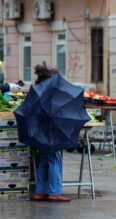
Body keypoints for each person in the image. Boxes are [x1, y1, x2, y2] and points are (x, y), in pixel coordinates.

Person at [32, 62, 70, 202]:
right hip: (51, 132)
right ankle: (55, 192)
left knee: (43, 159)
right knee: (55, 159)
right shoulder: (51, 93)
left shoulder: (36, 90)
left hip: (38, 131)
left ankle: (40, 191)